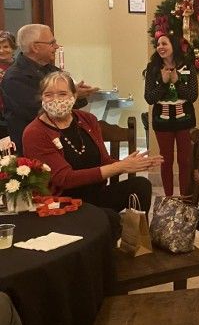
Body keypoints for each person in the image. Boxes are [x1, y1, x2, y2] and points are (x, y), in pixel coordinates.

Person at [22, 72, 161, 236]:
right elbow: (64, 179)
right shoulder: (35, 132)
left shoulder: (87, 119)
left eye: (62, 94)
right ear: (42, 98)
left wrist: (130, 164)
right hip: (62, 203)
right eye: (48, 95)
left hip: (94, 196)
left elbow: (103, 160)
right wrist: (119, 167)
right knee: (109, 219)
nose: (56, 100)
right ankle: (106, 256)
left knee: (141, 186)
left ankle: (136, 242)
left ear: (74, 96)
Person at [1, 24, 98, 153]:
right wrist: (72, 94)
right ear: (35, 47)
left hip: (62, 139)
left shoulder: (51, 70)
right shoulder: (15, 77)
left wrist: (75, 93)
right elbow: (37, 110)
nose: (56, 47)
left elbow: (71, 108)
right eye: (52, 43)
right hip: (34, 147)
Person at [143, 34, 198, 197]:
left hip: (185, 120)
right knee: (165, 160)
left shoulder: (188, 66)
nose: (160, 47)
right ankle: (169, 198)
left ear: (173, 46)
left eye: (164, 44)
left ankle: (185, 198)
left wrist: (177, 80)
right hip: (162, 121)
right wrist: (163, 82)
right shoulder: (152, 68)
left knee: (185, 161)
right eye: (158, 44)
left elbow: (193, 96)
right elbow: (150, 98)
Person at [0, 31, 17, 139]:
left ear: (13, 48)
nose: (1, 51)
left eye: (5, 46)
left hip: (16, 114)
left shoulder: (20, 67)